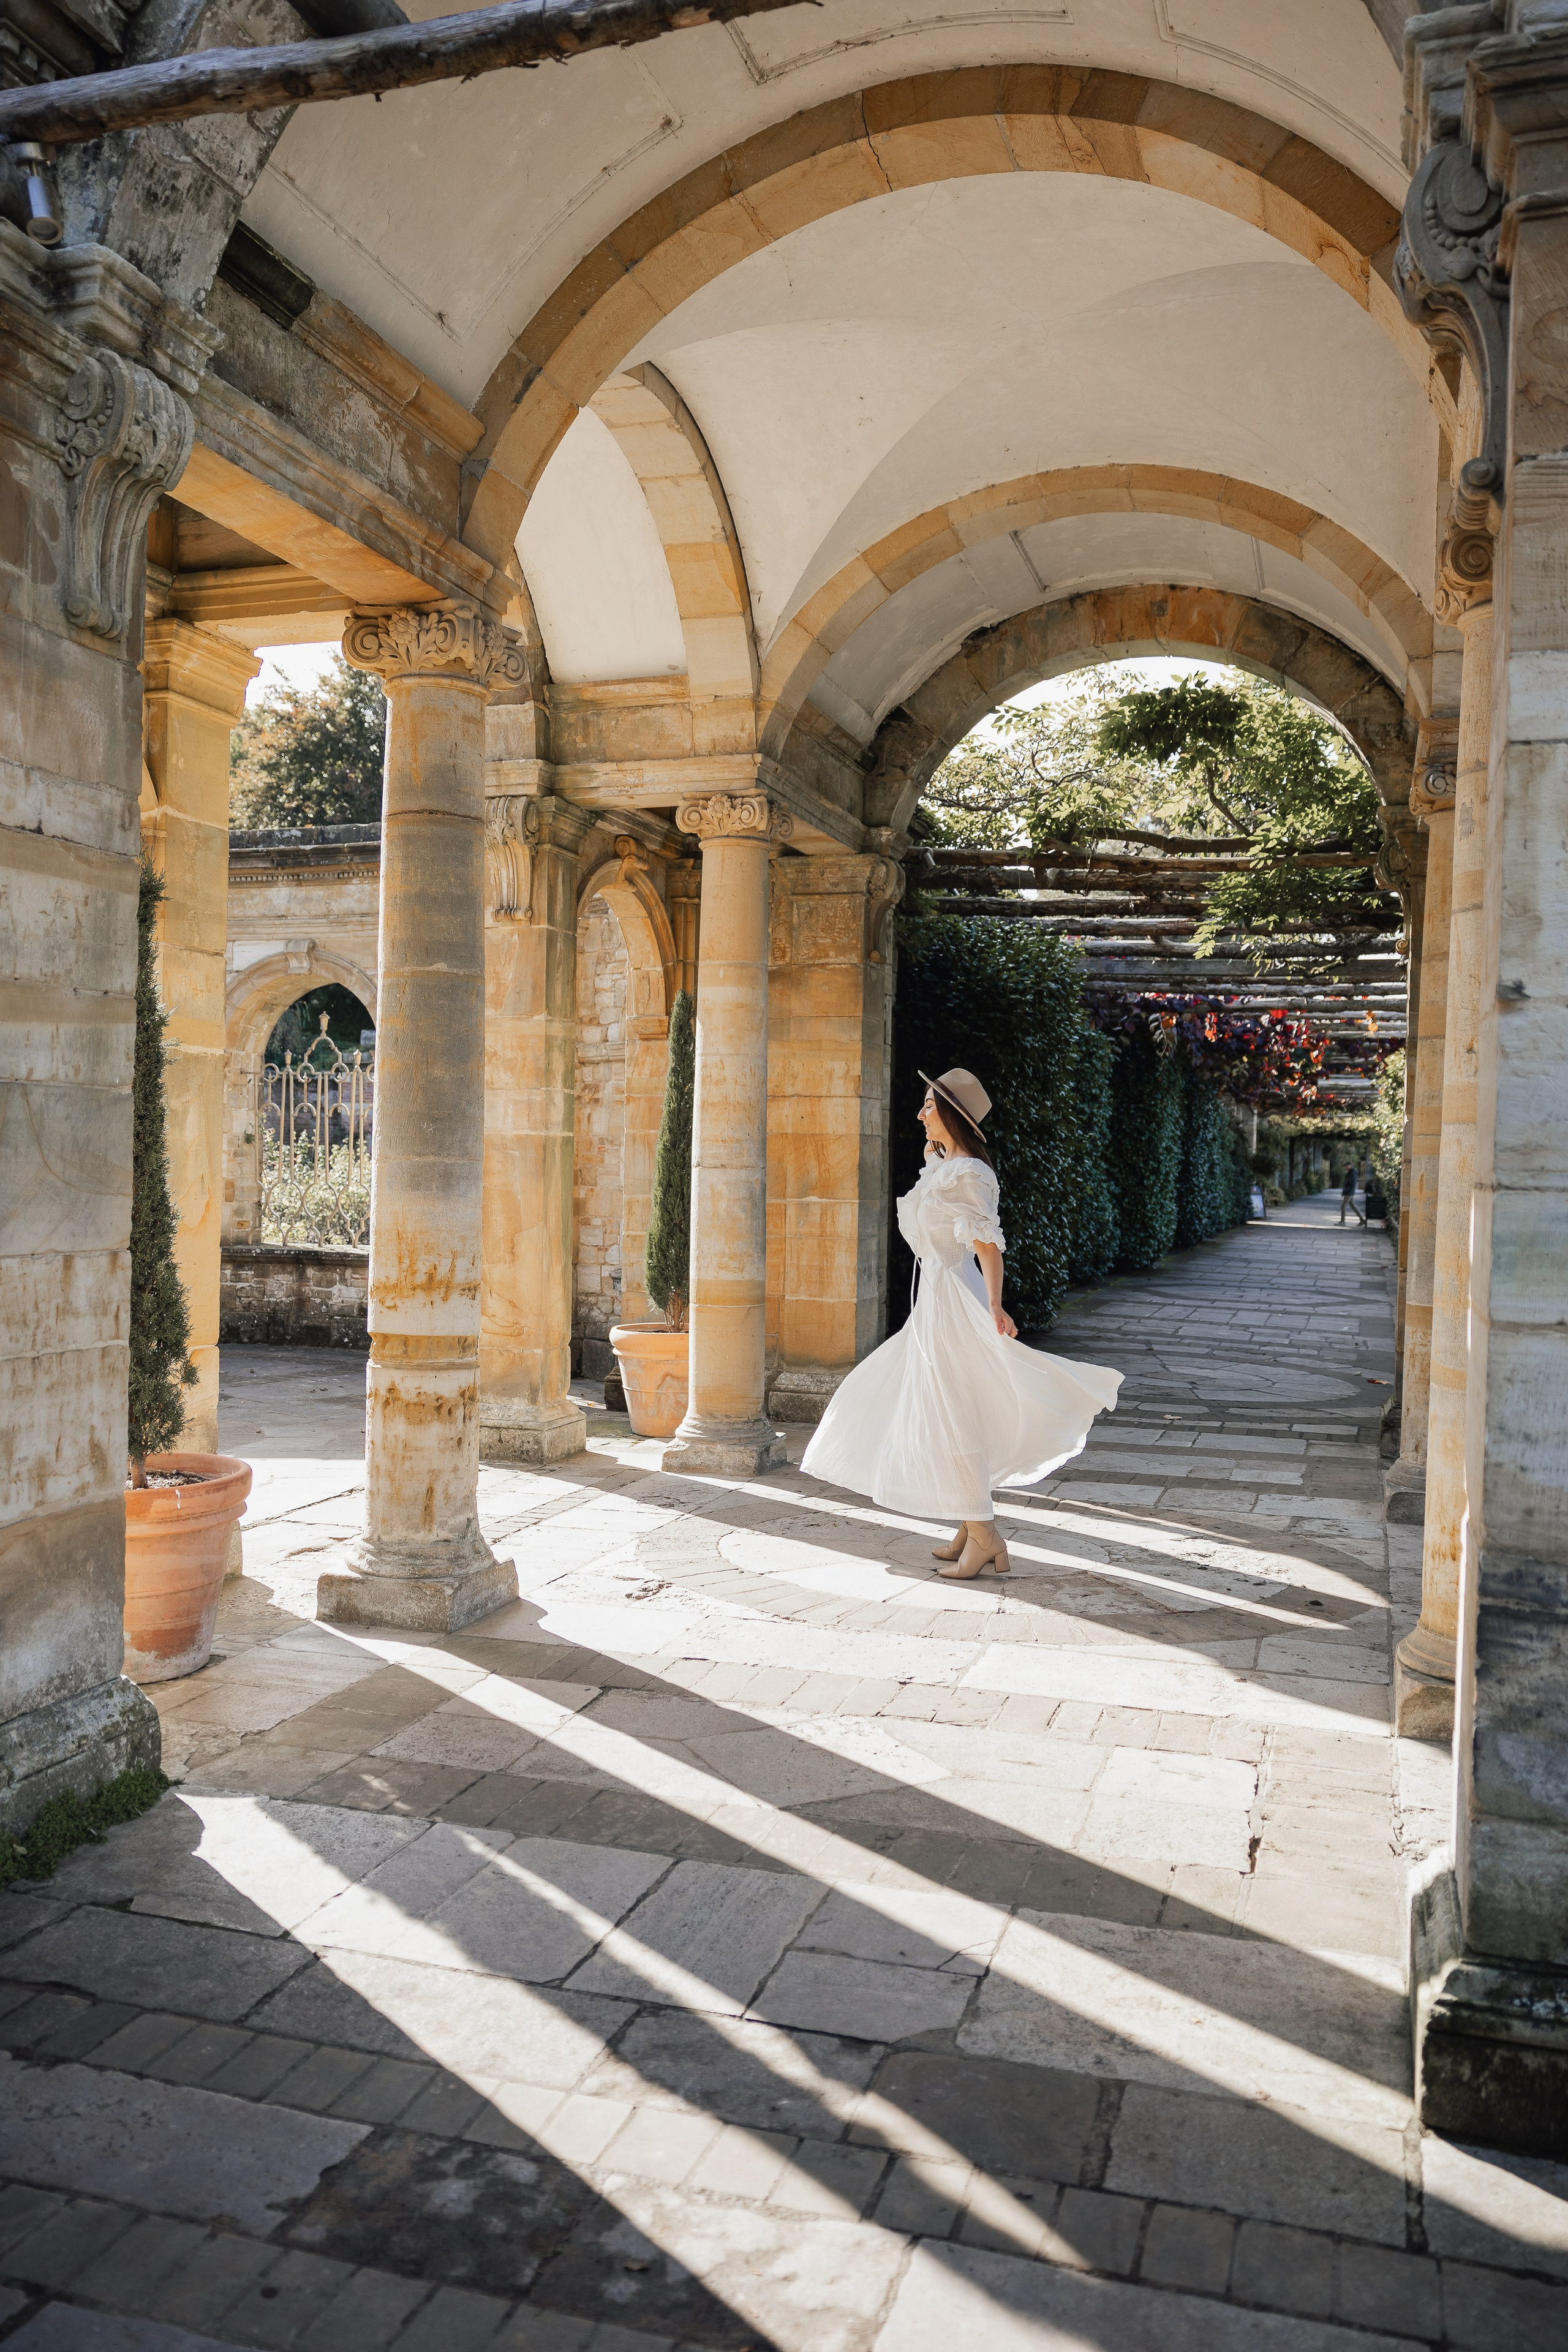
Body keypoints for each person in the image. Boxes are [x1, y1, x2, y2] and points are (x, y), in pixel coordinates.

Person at [801, 1067, 1123, 1578]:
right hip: (936, 1297)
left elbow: (988, 1247)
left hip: (954, 1298)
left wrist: (995, 1306)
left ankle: (985, 1534)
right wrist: (936, 1166)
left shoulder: (971, 1174)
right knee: (941, 1404)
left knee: (953, 1412)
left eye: (929, 1105)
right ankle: (970, 1526)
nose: (920, 1113)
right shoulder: (945, 1168)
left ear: (951, 1114)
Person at [1340, 1161, 1365, 1225]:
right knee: (1353, 1205)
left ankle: (1343, 1222)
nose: (1346, 1167)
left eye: (1347, 1166)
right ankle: (1362, 1220)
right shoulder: (1351, 1172)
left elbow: (1352, 1183)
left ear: (1350, 1166)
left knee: (1343, 1205)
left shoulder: (1353, 1173)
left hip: (1349, 1192)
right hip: (1349, 1191)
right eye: (1345, 1166)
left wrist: (1348, 1191)